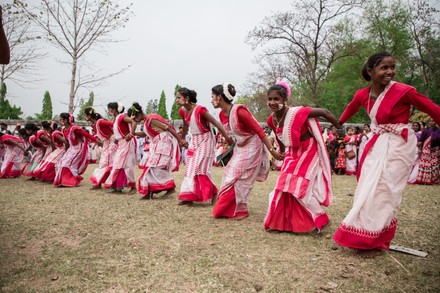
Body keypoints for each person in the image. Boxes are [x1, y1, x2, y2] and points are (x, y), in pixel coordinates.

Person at [332, 51, 440, 256]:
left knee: (386, 190)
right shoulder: (362, 94)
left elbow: (432, 109)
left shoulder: (403, 91)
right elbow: (347, 111)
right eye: (384, 68)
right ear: (371, 71)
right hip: (377, 142)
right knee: (367, 186)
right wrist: (338, 124)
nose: (390, 71)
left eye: (392, 67)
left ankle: (376, 240)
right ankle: (363, 234)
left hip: (400, 144)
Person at [263, 81, 342, 232]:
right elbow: (280, 137)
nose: (273, 102)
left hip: (308, 151)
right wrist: (280, 150)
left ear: (284, 100)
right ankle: (283, 223)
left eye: (276, 99)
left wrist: (340, 129)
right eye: (270, 99)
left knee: (299, 187)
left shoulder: (296, 113)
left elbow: (325, 112)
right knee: (283, 185)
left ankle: (321, 218)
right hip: (292, 153)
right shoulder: (271, 120)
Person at [211, 83, 282, 220]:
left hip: (253, 146)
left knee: (241, 176)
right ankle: (230, 207)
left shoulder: (239, 111)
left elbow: (259, 131)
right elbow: (232, 133)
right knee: (229, 174)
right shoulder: (221, 114)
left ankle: (240, 209)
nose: (211, 100)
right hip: (240, 147)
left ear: (219, 97)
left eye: (212, 96)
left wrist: (272, 150)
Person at [176, 87, 233, 205]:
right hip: (194, 140)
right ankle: (189, 196)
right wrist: (182, 139)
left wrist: (227, 138)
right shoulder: (182, 111)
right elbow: (185, 125)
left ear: (187, 98)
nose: (176, 100)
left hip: (206, 139)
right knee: (190, 168)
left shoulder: (200, 110)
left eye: (178, 98)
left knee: (200, 168)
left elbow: (215, 123)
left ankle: (213, 192)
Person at [127, 103, 183, 199]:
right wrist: (132, 133)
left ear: (138, 114)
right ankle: (151, 191)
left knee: (153, 168)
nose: (135, 121)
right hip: (157, 145)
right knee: (150, 168)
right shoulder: (146, 122)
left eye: (135, 119)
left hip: (164, 144)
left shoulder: (152, 119)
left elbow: (168, 128)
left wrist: (180, 140)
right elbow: (144, 134)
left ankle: (168, 187)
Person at [54, 113, 97, 187]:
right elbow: (67, 143)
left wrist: (98, 142)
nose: (60, 121)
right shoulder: (64, 130)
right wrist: (66, 152)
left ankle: (71, 181)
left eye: (61, 119)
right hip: (71, 148)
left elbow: (87, 135)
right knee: (60, 163)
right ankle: (64, 181)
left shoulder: (74, 129)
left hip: (78, 148)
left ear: (66, 120)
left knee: (67, 164)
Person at [103, 102, 137, 194]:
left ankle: (133, 186)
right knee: (117, 165)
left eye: (109, 109)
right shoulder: (116, 119)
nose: (108, 111)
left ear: (113, 109)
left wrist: (131, 134)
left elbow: (133, 121)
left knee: (127, 165)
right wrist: (117, 140)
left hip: (127, 143)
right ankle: (117, 187)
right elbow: (119, 131)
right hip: (121, 144)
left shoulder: (122, 116)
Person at [84, 107, 117, 190]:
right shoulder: (94, 125)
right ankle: (99, 183)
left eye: (85, 115)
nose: (84, 117)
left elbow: (114, 124)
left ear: (89, 116)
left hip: (113, 142)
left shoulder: (100, 122)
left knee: (109, 162)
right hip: (106, 143)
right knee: (103, 162)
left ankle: (112, 183)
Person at [416, 118, 439, 185]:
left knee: (434, 164)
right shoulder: (426, 131)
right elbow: (420, 141)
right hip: (426, 150)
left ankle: (433, 179)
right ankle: (423, 179)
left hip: (435, 150)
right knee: (425, 164)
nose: (431, 122)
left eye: (433, 121)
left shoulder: (438, 131)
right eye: (430, 121)